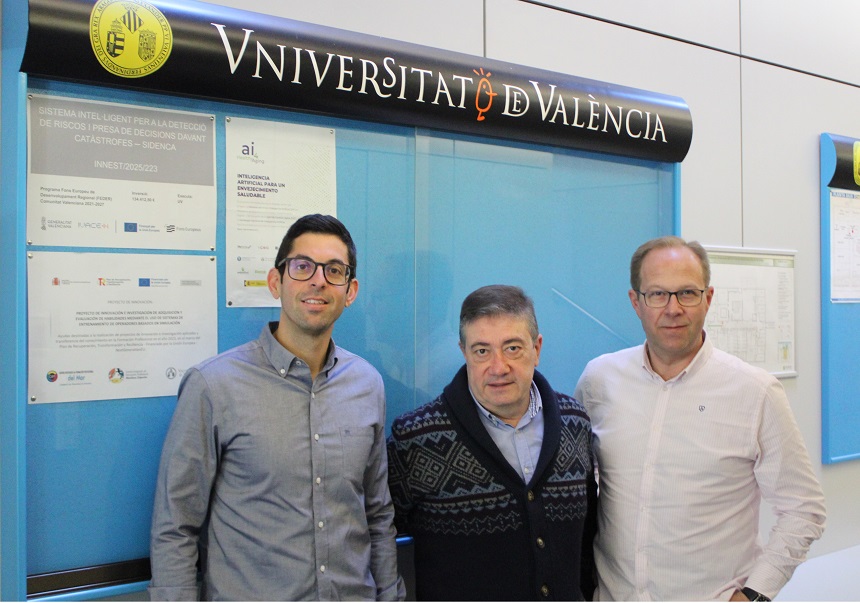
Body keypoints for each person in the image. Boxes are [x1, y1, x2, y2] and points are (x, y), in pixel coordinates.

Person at [149, 214, 405, 601]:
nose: (318, 280)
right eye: (302, 267)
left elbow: (377, 513)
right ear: (276, 282)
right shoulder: (213, 386)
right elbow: (175, 526)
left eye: (334, 270)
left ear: (350, 291)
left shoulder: (367, 385)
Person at [574, 236, 826, 602]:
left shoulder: (755, 392)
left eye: (687, 293)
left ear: (708, 299)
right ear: (636, 302)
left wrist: (754, 594)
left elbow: (804, 508)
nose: (673, 308)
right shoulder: (599, 381)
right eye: (657, 294)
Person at [387, 284, 598, 601]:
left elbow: (587, 542)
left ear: (537, 349)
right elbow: (378, 543)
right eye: (482, 351)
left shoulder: (574, 421)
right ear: (464, 353)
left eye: (513, 348)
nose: (498, 367)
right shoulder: (415, 439)